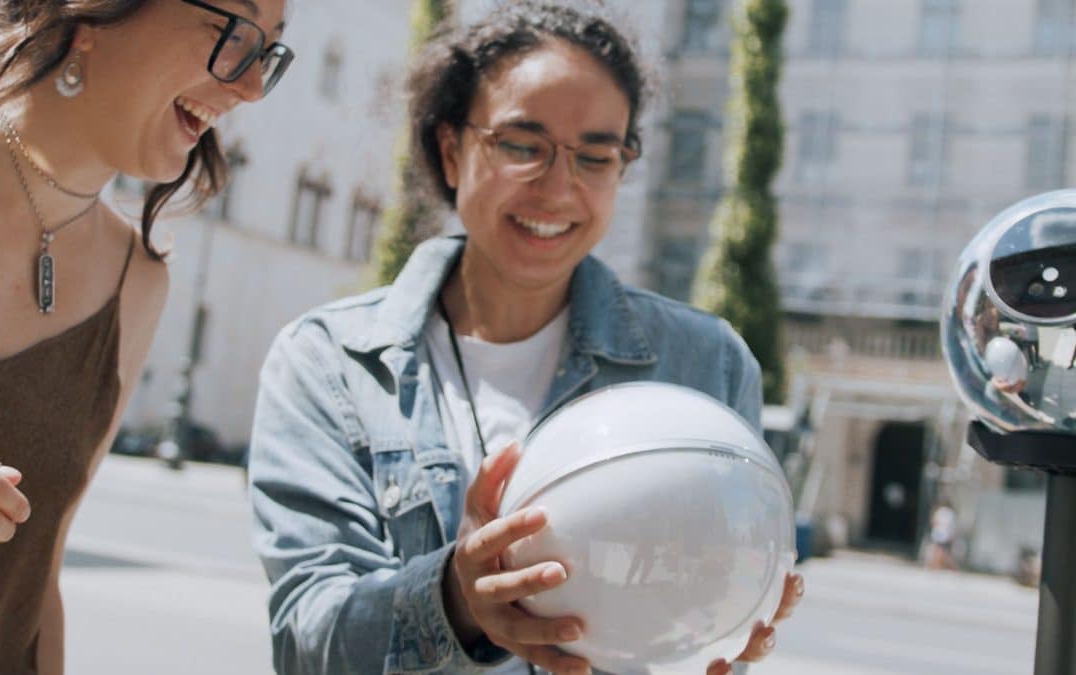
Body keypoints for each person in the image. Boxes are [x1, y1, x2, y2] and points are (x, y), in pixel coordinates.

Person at [248, 3, 802, 674]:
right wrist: (453, 596)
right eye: (522, 146)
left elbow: (714, 610)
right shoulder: (330, 365)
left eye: (596, 155)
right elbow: (308, 643)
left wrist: (723, 627)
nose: (559, 188)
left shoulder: (706, 365)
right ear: (452, 150)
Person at [0, 1, 292, 673]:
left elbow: (36, 582)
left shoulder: (138, 283)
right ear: (95, 13)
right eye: (233, 35)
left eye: (268, 53)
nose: (249, 88)